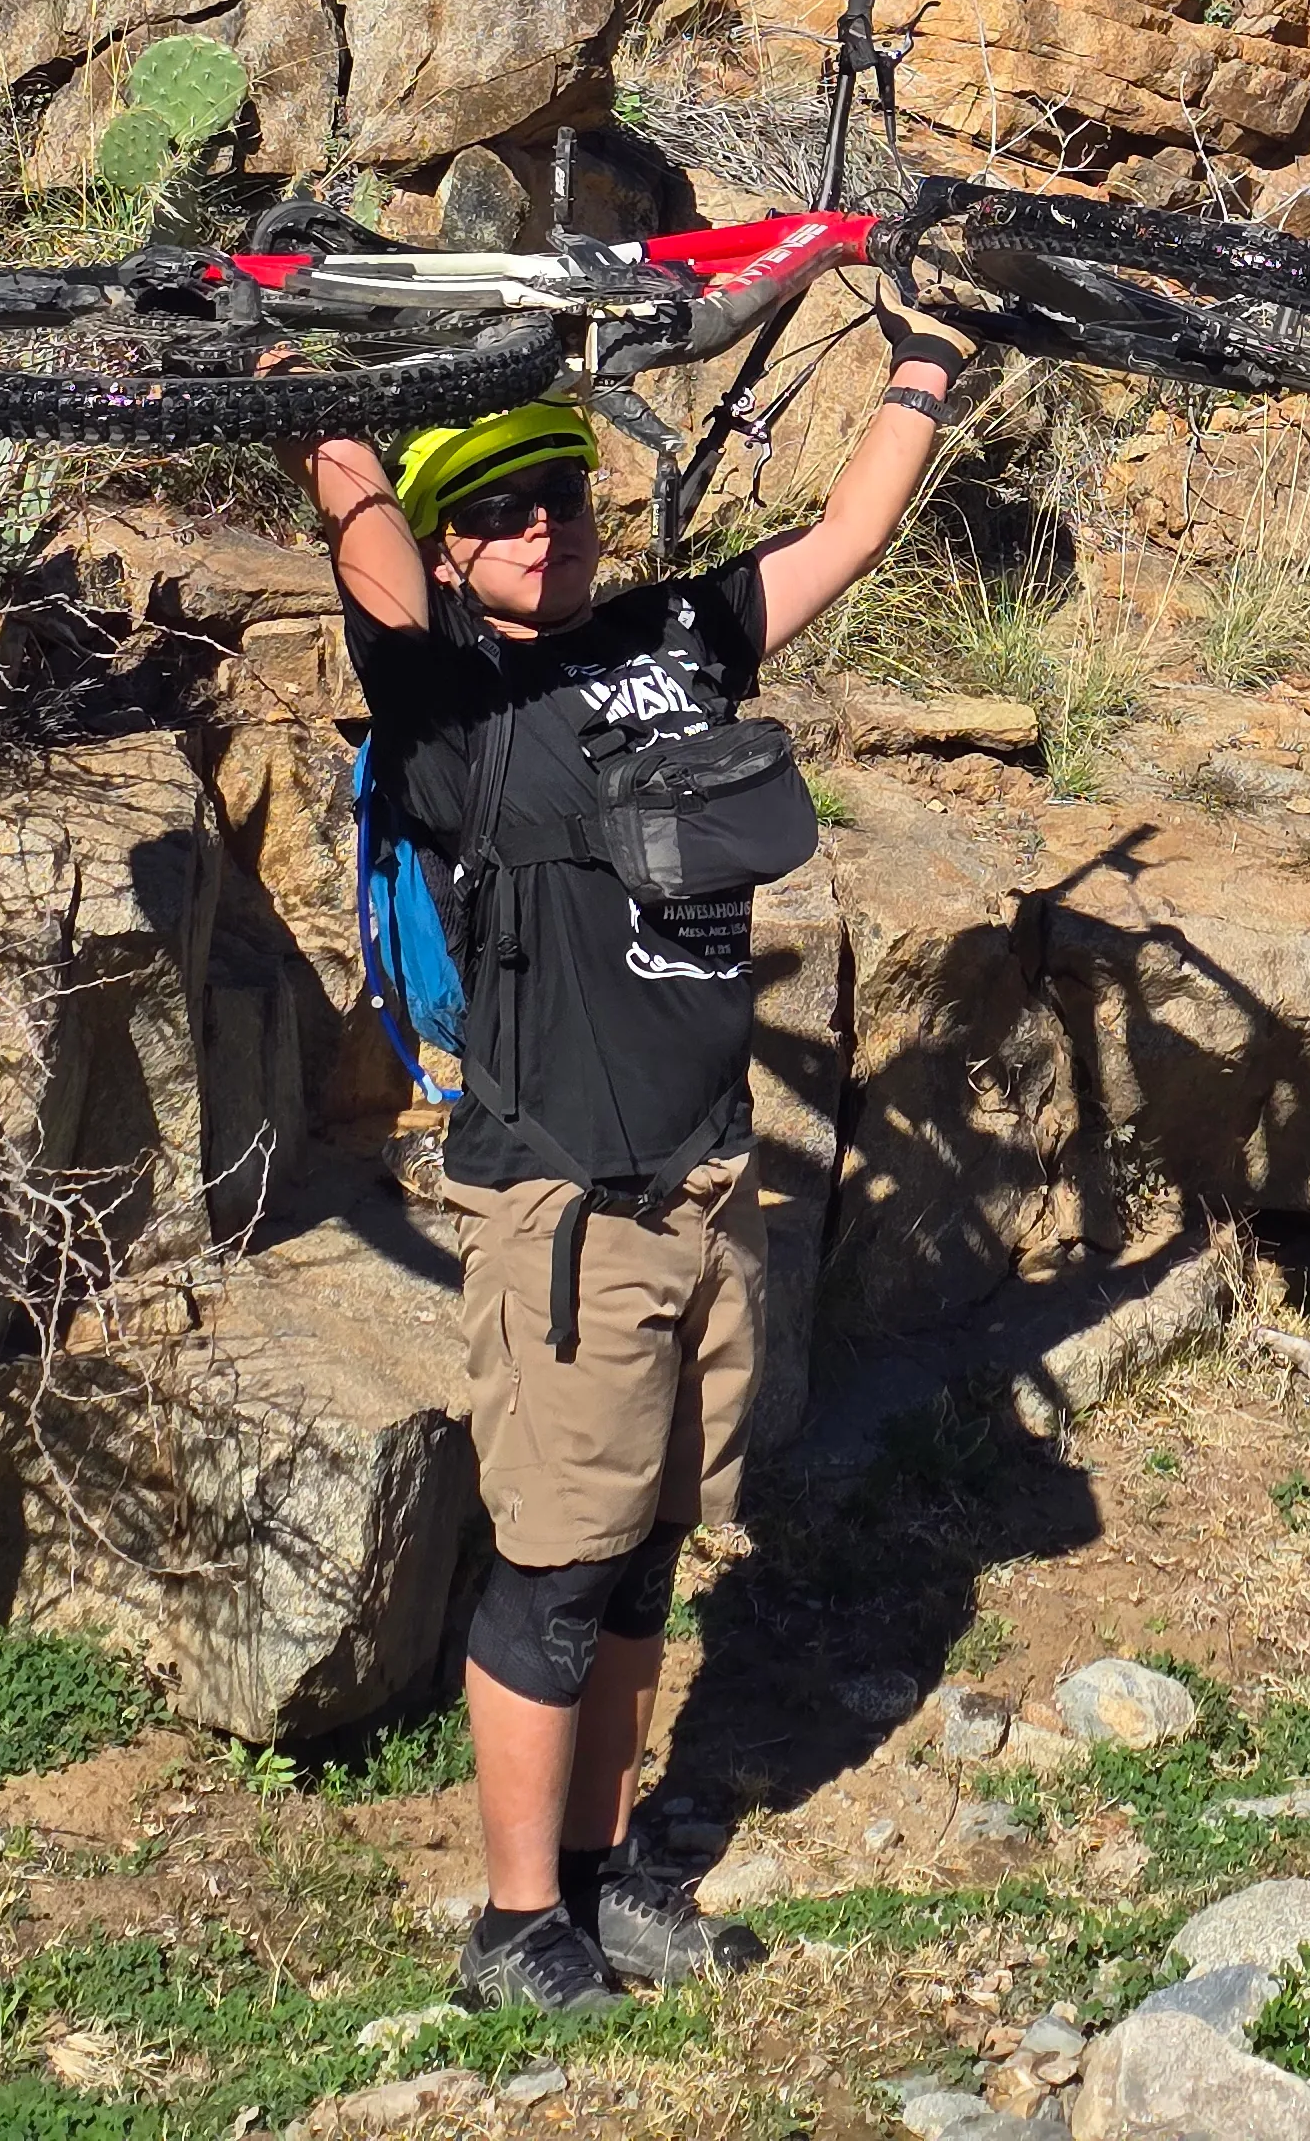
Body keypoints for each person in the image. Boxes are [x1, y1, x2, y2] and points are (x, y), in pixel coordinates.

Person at [281, 270, 974, 2016]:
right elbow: (370, 549)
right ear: (455, 553)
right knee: (556, 1567)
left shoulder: (679, 636)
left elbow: (844, 537)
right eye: (502, 515)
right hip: (566, 1207)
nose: (545, 530)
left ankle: (604, 1878)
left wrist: (928, 363)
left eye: (564, 497)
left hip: (706, 1183)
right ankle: (515, 1925)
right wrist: (310, 400)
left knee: (652, 1553)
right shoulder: (454, 711)